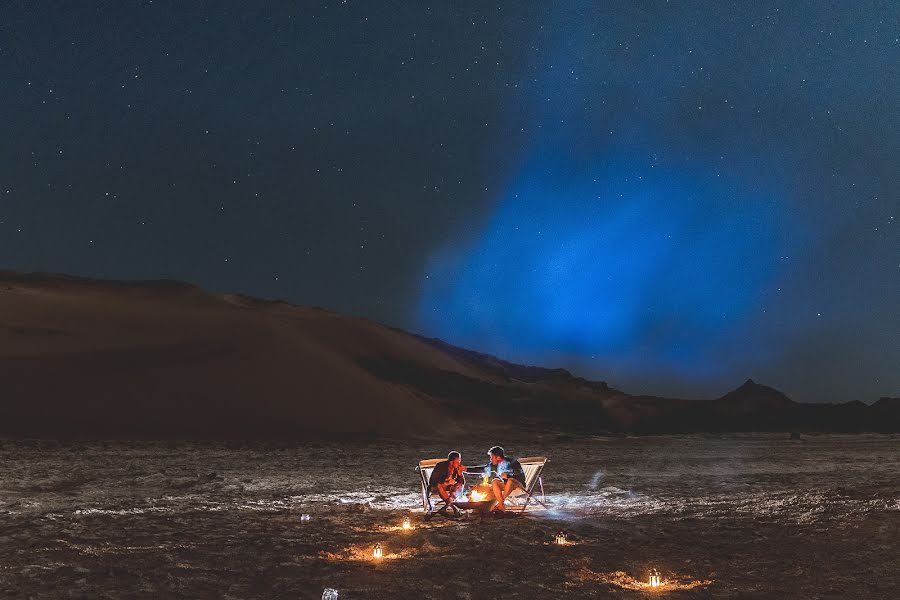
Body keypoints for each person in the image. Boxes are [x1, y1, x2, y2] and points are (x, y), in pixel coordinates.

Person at [468, 446, 526, 512]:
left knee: (510, 480)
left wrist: (509, 475)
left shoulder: (512, 462)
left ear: (498, 457)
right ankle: (500, 505)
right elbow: (482, 469)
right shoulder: (495, 465)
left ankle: (500, 503)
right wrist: (466, 469)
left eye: (491, 457)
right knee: (494, 481)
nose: (490, 459)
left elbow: (519, 472)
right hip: (506, 487)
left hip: (519, 486)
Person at [428, 451, 466, 516]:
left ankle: (446, 507)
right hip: (436, 486)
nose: (459, 463)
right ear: (451, 462)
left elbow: (461, 482)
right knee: (439, 486)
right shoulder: (440, 466)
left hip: (449, 487)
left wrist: (459, 474)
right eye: (457, 461)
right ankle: (454, 507)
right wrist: (446, 481)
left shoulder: (456, 467)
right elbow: (432, 481)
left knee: (458, 485)